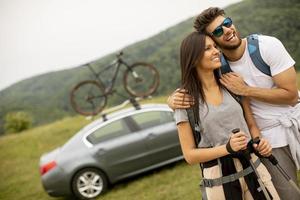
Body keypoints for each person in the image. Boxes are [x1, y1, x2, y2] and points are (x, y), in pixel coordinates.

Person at [168, 7, 300, 200]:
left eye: (227, 23)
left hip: (288, 124)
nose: (227, 30)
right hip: (263, 142)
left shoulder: (265, 47)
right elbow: (189, 152)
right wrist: (172, 100)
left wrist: (245, 90)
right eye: (218, 31)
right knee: (289, 195)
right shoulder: (217, 71)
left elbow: (291, 96)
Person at [175, 31, 279, 199]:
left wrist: (259, 141)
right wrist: (227, 148)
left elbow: (251, 125)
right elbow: (190, 155)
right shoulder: (184, 100)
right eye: (208, 48)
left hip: (254, 167)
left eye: (215, 47)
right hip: (219, 180)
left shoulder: (233, 84)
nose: (216, 51)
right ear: (193, 58)